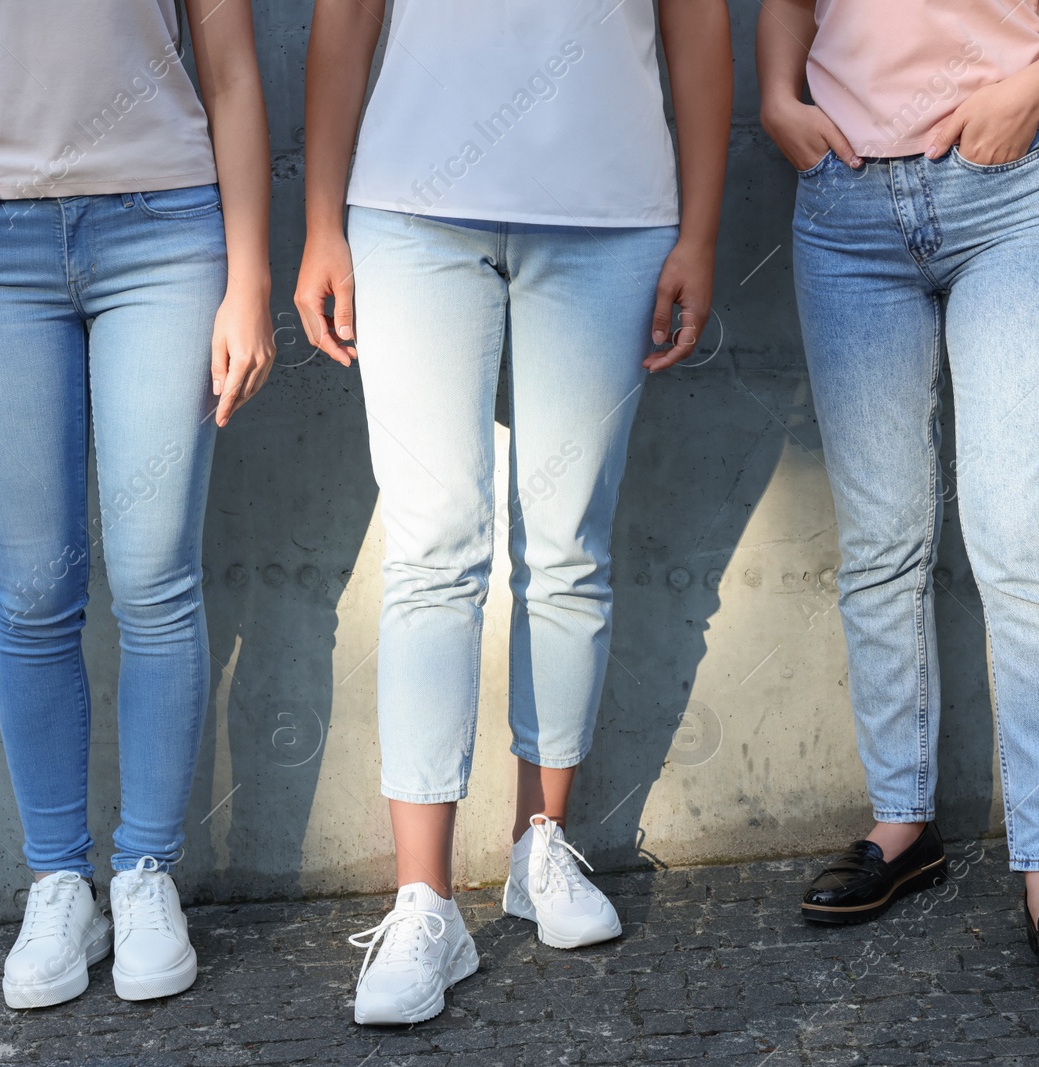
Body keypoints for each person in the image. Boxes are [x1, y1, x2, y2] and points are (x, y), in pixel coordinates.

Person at [295, 0, 732, 1026]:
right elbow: (346, 11)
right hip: (410, 210)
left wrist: (701, 232)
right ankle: (424, 902)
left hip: (611, 214)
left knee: (570, 544)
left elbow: (699, 23)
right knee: (432, 548)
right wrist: (320, 220)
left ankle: (541, 847)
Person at [0, 0, 274, 1008]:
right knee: (33, 591)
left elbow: (234, 70)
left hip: (164, 233)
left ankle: (148, 873)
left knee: (155, 574)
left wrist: (249, 276)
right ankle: (60, 883)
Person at [757, 0, 1039, 1005]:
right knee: (883, 540)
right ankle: (901, 824)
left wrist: (1032, 90)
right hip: (845, 207)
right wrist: (775, 97)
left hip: (1013, 196)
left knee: (1021, 541)